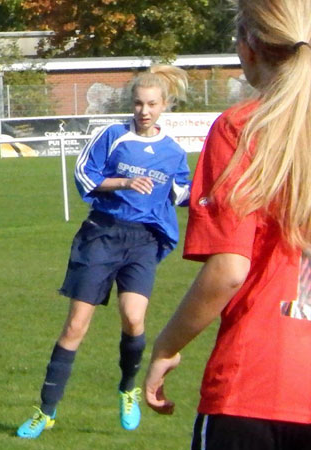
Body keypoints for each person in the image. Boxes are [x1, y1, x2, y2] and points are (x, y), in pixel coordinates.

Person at [144, 1, 311, 448]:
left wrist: (166, 346)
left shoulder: (242, 128)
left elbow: (229, 270)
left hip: (258, 386)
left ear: (249, 46)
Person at [16, 65, 191, 439]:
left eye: (152, 104)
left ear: (164, 105)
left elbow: (184, 194)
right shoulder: (112, 136)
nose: (144, 111)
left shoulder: (173, 153)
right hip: (103, 235)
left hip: (143, 241)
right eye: (139, 103)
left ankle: (127, 389)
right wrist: (124, 181)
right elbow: (85, 175)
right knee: (75, 326)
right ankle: (45, 411)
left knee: (133, 319)